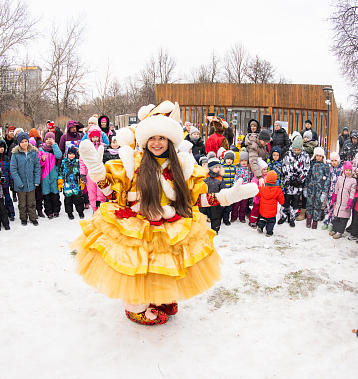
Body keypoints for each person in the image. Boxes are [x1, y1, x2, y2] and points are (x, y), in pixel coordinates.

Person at [71, 100, 258, 325]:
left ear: (170, 140)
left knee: (164, 263)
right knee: (138, 265)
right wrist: (98, 172)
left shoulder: (181, 166)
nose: (157, 143)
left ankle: (159, 298)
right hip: (138, 221)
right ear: (145, 140)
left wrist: (229, 196)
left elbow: (193, 199)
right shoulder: (135, 163)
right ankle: (135, 306)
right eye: (152, 137)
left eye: (162, 138)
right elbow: (113, 193)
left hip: (170, 221)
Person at [278, 135, 310, 227]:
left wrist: (300, 179)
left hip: (298, 183)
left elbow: (306, 168)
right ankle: (283, 216)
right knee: (286, 200)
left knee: (295, 201)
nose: (296, 152)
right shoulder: (288, 154)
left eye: (298, 150)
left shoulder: (305, 156)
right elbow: (285, 166)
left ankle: (292, 217)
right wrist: (290, 178)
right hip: (288, 182)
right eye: (295, 150)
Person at [10, 132, 41, 226]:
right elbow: (13, 169)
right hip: (21, 184)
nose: (24, 143)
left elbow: (37, 167)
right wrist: (18, 182)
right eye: (22, 142)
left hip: (31, 182)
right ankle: (23, 218)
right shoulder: (15, 154)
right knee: (22, 203)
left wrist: (36, 180)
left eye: (26, 141)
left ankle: (33, 217)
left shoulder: (33, 152)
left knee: (32, 202)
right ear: (19, 143)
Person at [80, 126, 106, 213]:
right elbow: (82, 161)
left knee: (101, 191)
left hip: (100, 172)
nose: (95, 139)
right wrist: (83, 174)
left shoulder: (103, 147)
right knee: (91, 192)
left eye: (96, 137)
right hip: (90, 173)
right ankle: (94, 210)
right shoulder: (86, 148)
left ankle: (101, 209)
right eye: (93, 137)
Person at [304, 147, 330, 229]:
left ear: (323, 157)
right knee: (309, 204)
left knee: (318, 205)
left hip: (319, 189)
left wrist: (325, 192)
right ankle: (308, 219)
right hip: (311, 188)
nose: (318, 157)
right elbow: (308, 176)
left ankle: (315, 221)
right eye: (317, 155)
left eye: (320, 156)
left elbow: (327, 179)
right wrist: (305, 187)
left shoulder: (325, 166)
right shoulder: (312, 165)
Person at [199, 153, 226, 233]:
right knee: (202, 215)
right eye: (216, 167)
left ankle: (215, 229)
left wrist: (223, 199)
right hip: (204, 198)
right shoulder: (204, 176)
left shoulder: (220, 178)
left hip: (215, 199)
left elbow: (223, 189)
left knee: (216, 215)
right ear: (210, 168)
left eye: (219, 167)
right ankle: (201, 228)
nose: (218, 169)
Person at [330, 161, 356, 239]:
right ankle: (335, 229)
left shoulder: (353, 180)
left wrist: (350, 202)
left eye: (349, 170)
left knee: (343, 219)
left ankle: (340, 231)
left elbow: (352, 192)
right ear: (344, 170)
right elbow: (336, 188)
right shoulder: (340, 178)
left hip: (346, 202)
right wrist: (334, 197)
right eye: (346, 170)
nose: (348, 172)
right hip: (338, 202)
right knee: (336, 217)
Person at [39, 132, 62, 219]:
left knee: (55, 194)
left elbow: (59, 155)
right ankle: (49, 211)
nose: (49, 140)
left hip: (54, 175)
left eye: (50, 138)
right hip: (44, 176)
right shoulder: (41, 149)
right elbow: (39, 163)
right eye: (47, 139)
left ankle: (56, 210)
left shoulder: (54, 148)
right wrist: (42, 160)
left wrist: (54, 145)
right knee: (46, 195)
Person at [58, 146, 85, 220]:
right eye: (70, 154)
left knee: (78, 200)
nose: (71, 155)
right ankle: (69, 213)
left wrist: (82, 182)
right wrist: (60, 182)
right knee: (68, 200)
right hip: (67, 186)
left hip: (76, 185)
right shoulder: (64, 163)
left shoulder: (77, 162)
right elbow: (61, 173)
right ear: (67, 154)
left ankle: (80, 212)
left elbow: (81, 173)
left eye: (73, 154)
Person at [256, 170, 285, 237]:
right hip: (272, 211)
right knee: (271, 221)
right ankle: (269, 232)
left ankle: (260, 227)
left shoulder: (263, 188)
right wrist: (282, 203)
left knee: (262, 218)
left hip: (263, 209)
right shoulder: (277, 189)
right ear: (275, 179)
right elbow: (281, 200)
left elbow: (258, 194)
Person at [0, 140, 15, 221]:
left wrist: (11, 181)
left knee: (8, 198)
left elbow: (10, 170)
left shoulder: (6, 158)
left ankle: (11, 213)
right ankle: (1, 214)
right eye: (0, 147)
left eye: (3, 147)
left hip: (5, 183)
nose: (1, 149)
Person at [322, 153, 343, 231]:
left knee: (335, 208)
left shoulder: (341, 170)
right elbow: (327, 180)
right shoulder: (329, 169)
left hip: (337, 194)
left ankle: (332, 223)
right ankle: (326, 221)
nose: (334, 162)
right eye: (332, 161)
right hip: (330, 192)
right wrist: (325, 191)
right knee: (328, 207)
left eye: (335, 161)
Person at [231, 150, 253, 223]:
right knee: (236, 204)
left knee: (244, 205)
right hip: (239, 189)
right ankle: (234, 217)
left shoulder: (249, 170)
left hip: (245, 190)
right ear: (240, 161)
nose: (243, 162)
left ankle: (242, 217)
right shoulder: (238, 169)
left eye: (245, 161)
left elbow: (251, 178)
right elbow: (236, 178)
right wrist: (236, 185)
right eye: (242, 160)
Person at [249, 157, 268, 228]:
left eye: (266, 169)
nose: (266, 171)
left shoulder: (267, 177)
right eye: (264, 169)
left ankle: (259, 220)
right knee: (255, 210)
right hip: (257, 198)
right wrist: (257, 194)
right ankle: (252, 221)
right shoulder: (256, 178)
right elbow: (254, 187)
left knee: (262, 210)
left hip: (264, 198)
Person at [220, 150, 236, 225]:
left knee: (228, 206)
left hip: (230, 189)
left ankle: (226, 219)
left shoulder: (233, 168)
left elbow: (235, 177)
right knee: (221, 205)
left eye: (231, 159)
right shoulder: (222, 167)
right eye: (228, 159)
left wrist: (233, 185)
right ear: (225, 159)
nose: (229, 161)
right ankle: (219, 218)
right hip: (223, 190)